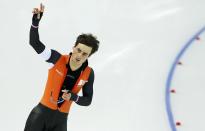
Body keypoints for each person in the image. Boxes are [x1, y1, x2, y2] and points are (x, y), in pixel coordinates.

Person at [24, 3, 99, 131]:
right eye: (78, 50)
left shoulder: (88, 73)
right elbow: (34, 43)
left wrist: (74, 97)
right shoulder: (56, 59)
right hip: (40, 116)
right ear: (73, 47)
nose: (79, 55)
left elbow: (87, 101)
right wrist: (35, 23)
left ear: (89, 56)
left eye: (85, 53)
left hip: (61, 121)